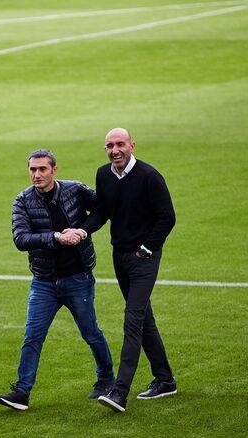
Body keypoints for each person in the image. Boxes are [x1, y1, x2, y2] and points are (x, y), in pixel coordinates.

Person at [0, 149, 114, 411]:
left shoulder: (75, 191)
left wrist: (82, 230)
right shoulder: (22, 201)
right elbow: (21, 239)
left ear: (54, 170)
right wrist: (57, 237)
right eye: (32, 170)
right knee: (32, 336)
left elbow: (102, 210)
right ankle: (22, 393)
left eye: (42, 169)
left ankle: (106, 379)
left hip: (78, 278)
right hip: (44, 282)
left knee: (90, 333)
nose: (36, 175)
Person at [77, 128, 177, 413]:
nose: (115, 150)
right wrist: (81, 231)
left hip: (143, 258)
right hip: (120, 257)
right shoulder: (104, 175)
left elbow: (167, 218)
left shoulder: (149, 177)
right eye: (109, 145)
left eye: (120, 144)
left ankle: (119, 392)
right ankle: (165, 380)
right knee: (144, 318)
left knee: (132, 319)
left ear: (132, 146)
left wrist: (147, 248)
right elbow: (101, 212)